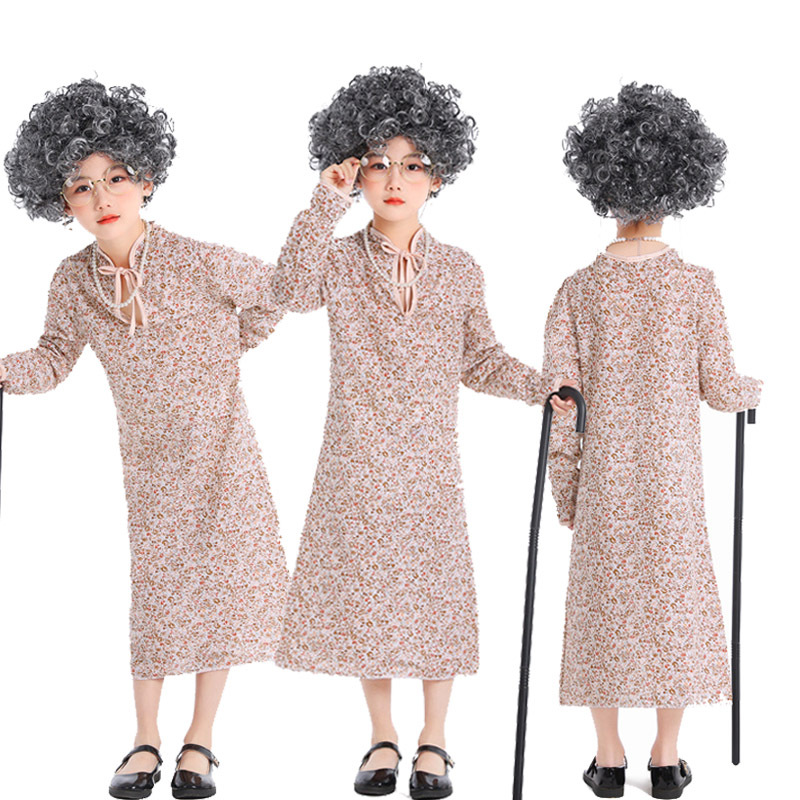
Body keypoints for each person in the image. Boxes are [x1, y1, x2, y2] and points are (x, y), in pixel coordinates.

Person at [259, 65, 572, 799]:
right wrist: (324, 201)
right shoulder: (337, 261)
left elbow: (480, 358)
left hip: (430, 466)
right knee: (367, 599)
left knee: (435, 599)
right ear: (356, 172)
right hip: (357, 461)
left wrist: (541, 386)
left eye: (413, 165)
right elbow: (288, 291)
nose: (395, 180)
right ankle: (381, 735)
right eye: (377, 165)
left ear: (439, 177)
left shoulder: (460, 270)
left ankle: (435, 738)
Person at [0, 79, 289, 800]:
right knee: (158, 596)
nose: (103, 197)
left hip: (223, 456)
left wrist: (230, 346)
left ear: (147, 179)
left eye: (116, 178)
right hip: (151, 465)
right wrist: (5, 371)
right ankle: (144, 738)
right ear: (59, 201)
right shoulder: (73, 282)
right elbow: (53, 359)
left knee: (222, 593)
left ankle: (200, 740)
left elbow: (274, 295)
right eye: (81, 186)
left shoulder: (199, 258)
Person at [543, 83, 762, 799]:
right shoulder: (696, 286)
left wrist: (568, 494)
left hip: (606, 485)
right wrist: (753, 390)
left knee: (604, 611)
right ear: (680, 186)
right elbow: (721, 389)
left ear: (600, 184)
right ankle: (666, 758)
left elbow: (562, 408)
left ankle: (608, 758)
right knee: (675, 611)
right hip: (672, 486)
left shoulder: (576, 292)